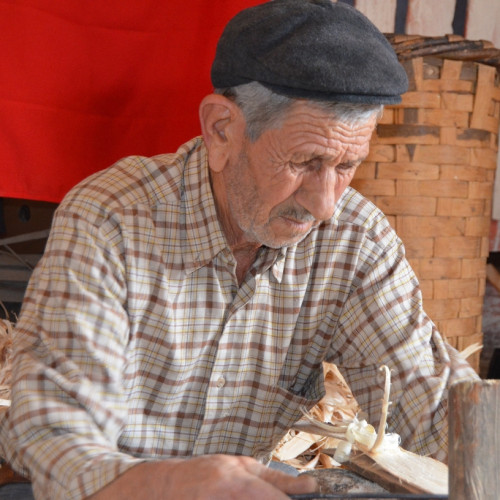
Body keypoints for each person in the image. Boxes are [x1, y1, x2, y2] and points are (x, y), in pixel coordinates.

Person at [0, 1, 477, 499]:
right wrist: (165, 483)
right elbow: (52, 436)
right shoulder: (113, 218)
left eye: (346, 166)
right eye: (306, 161)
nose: (325, 205)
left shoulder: (356, 241)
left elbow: (439, 409)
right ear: (222, 130)